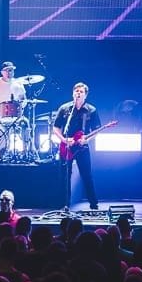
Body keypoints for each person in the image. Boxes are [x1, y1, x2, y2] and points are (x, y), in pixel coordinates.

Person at [52, 82, 103, 212]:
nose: (78, 93)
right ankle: (64, 204)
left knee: (86, 175)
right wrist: (63, 139)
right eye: (76, 91)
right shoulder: (64, 109)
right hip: (67, 146)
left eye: (81, 92)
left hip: (82, 147)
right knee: (65, 176)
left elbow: (97, 130)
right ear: (73, 93)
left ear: (85, 95)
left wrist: (87, 140)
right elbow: (56, 127)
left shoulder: (91, 110)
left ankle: (93, 204)